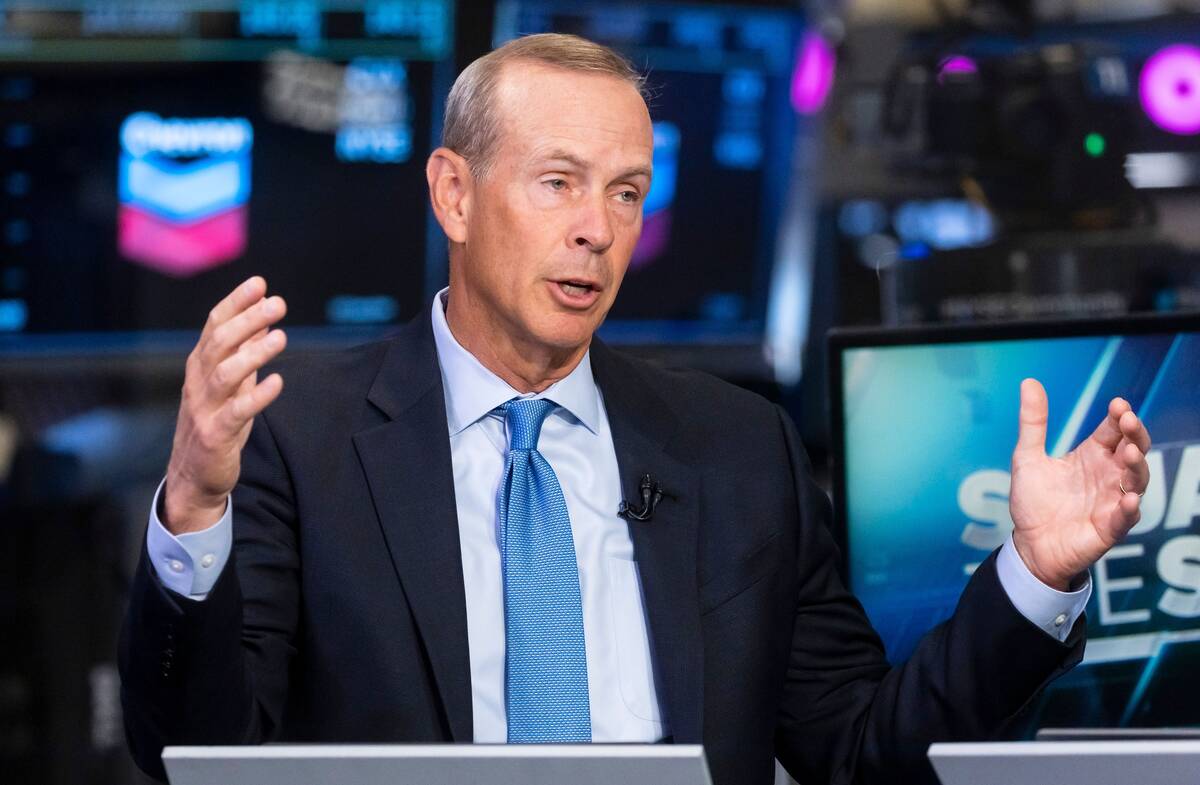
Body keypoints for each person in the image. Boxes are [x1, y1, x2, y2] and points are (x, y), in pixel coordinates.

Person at [119, 33, 1152, 785]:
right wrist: (195, 508)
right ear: (454, 194)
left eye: (626, 191)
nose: (599, 230)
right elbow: (196, 751)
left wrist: (1035, 575)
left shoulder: (740, 449)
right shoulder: (302, 438)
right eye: (558, 183)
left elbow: (859, 752)